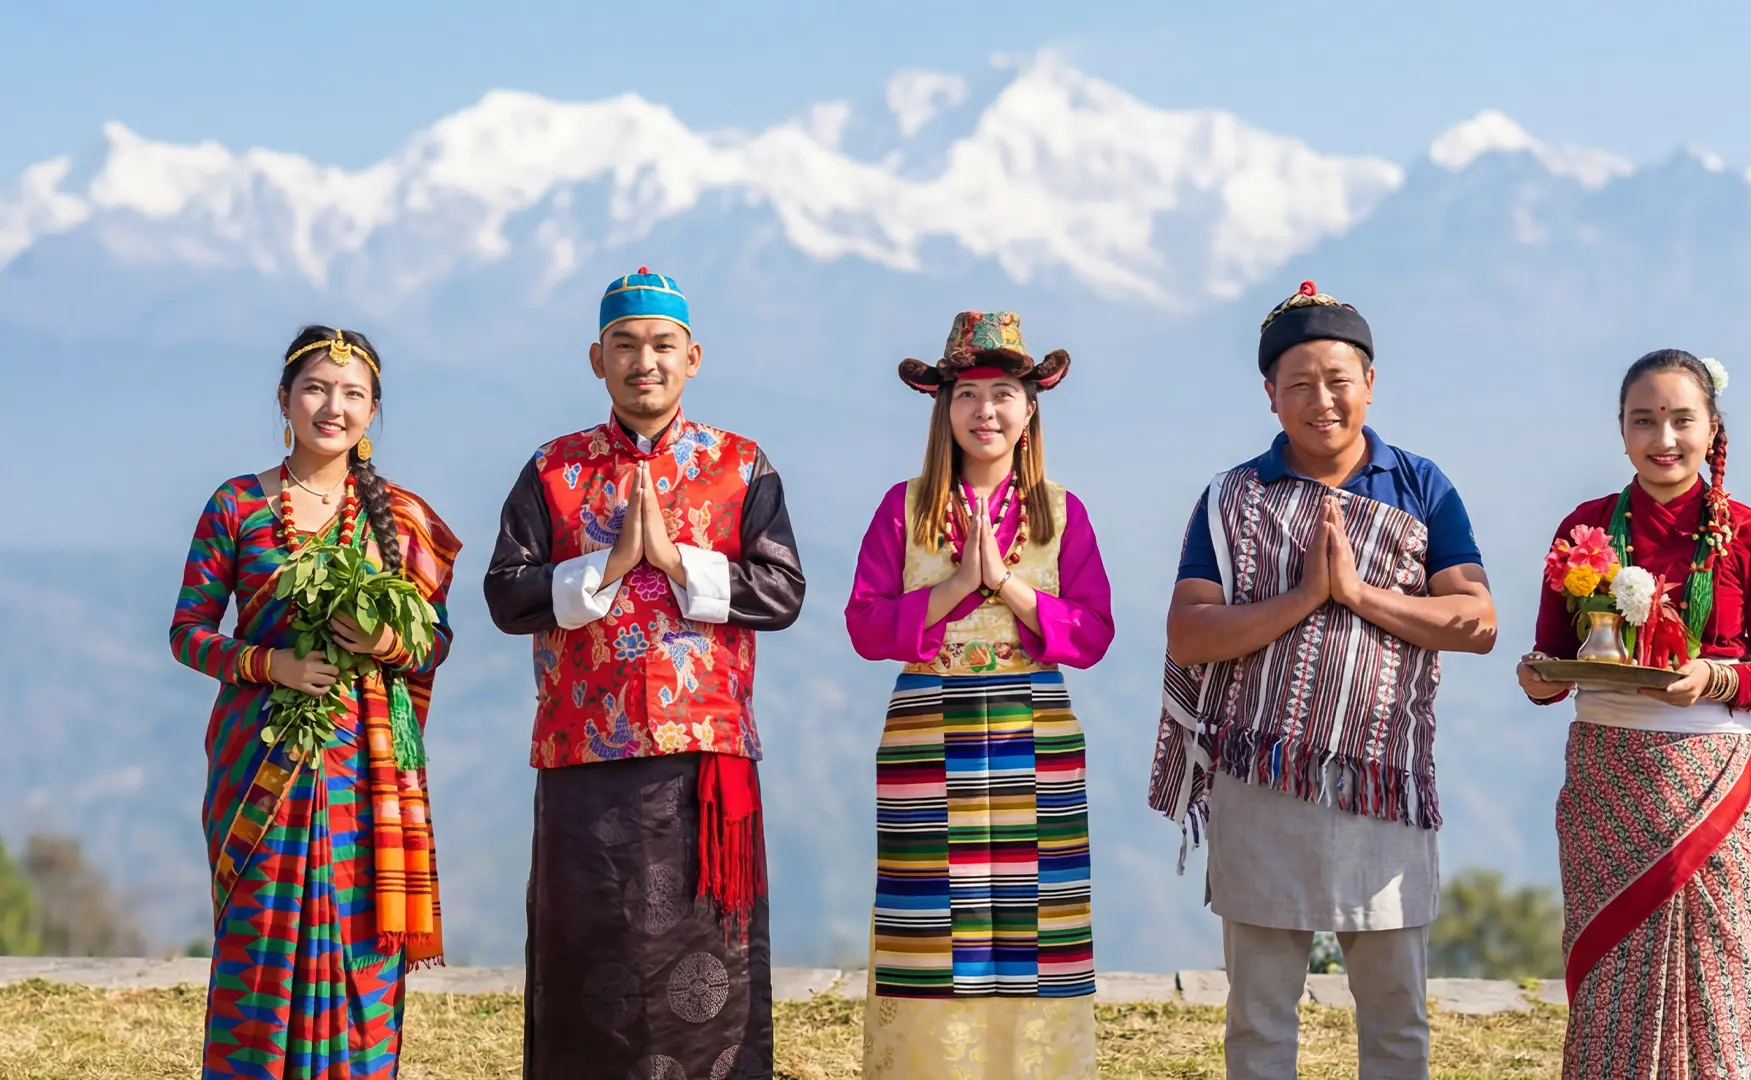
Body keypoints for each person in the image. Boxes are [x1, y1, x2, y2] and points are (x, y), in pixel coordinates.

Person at [1148, 281, 1497, 1079]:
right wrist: (1303, 597)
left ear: (1370, 383)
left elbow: (1478, 621)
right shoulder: (1234, 496)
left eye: (1339, 380)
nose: (1323, 400)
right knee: (1261, 1020)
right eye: (1299, 383)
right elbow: (1189, 632)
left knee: (1397, 1020)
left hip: (1385, 785)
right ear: (1270, 396)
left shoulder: (1422, 487)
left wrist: (1360, 595)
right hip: (1262, 784)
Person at [484, 267, 804, 1080]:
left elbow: (784, 591)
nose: (644, 362)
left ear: (693, 357)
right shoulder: (552, 471)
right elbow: (505, 594)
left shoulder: (742, 465)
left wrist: (675, 562)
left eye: (662, 345)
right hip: (582, 759)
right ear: (597, 359)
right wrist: (607, 565)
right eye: (624, 346)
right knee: (588, 955)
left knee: (712, 971)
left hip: (705, 764)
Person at [171, 326, 461, 1080]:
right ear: (285, 400)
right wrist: (272, 664)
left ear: (373, 413)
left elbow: (434, 644)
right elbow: (188, 633)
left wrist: (381, 645)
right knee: (262, 942)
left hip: (366, 779)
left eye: (353, 394)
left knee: (358, 949)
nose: (333, 407)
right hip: (259, 764)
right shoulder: (235, 505)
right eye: (316, 389)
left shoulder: (399, 519)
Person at [1516, 349, 1751, 1080]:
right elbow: (1552, 656)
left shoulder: (1750, 534)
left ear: (1714, 430)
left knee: (1713, 967)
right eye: (1644, 420)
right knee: (1611, 970)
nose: (1663, 437)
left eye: (1682, 419)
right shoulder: (1584, 529)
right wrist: (1537, 679)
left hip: (1711, 782)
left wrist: (1713, 676)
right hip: (1606, 779)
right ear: (1621, 432)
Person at [845, 311, 1114, 1079]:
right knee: (928, 930)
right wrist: (957, 587)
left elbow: (1092, 633)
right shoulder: (904, 507)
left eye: (1003, 393)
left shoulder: (1063, 513)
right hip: (927, 733)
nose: (985, 412)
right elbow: (866, 625)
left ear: (1031, 410)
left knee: (1038, 928)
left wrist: (1006, 587)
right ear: (943, 408)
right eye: (968, 394)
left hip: (1037, 734)